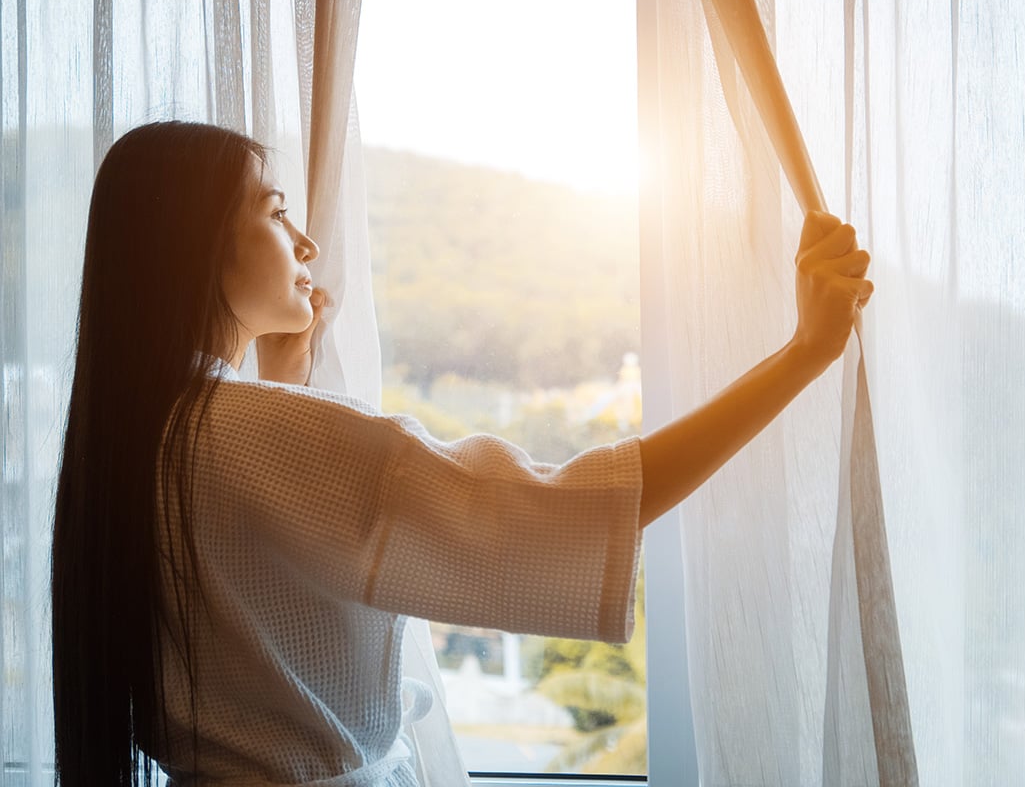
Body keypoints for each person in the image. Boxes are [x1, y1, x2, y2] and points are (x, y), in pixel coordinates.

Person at [51, 121, 872, 786]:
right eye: (272, 211)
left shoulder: (135, 436)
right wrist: (802, 353)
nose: (304, 243)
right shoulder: (244, 432)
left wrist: (286, 384)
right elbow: (554, 513)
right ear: (195, 247)